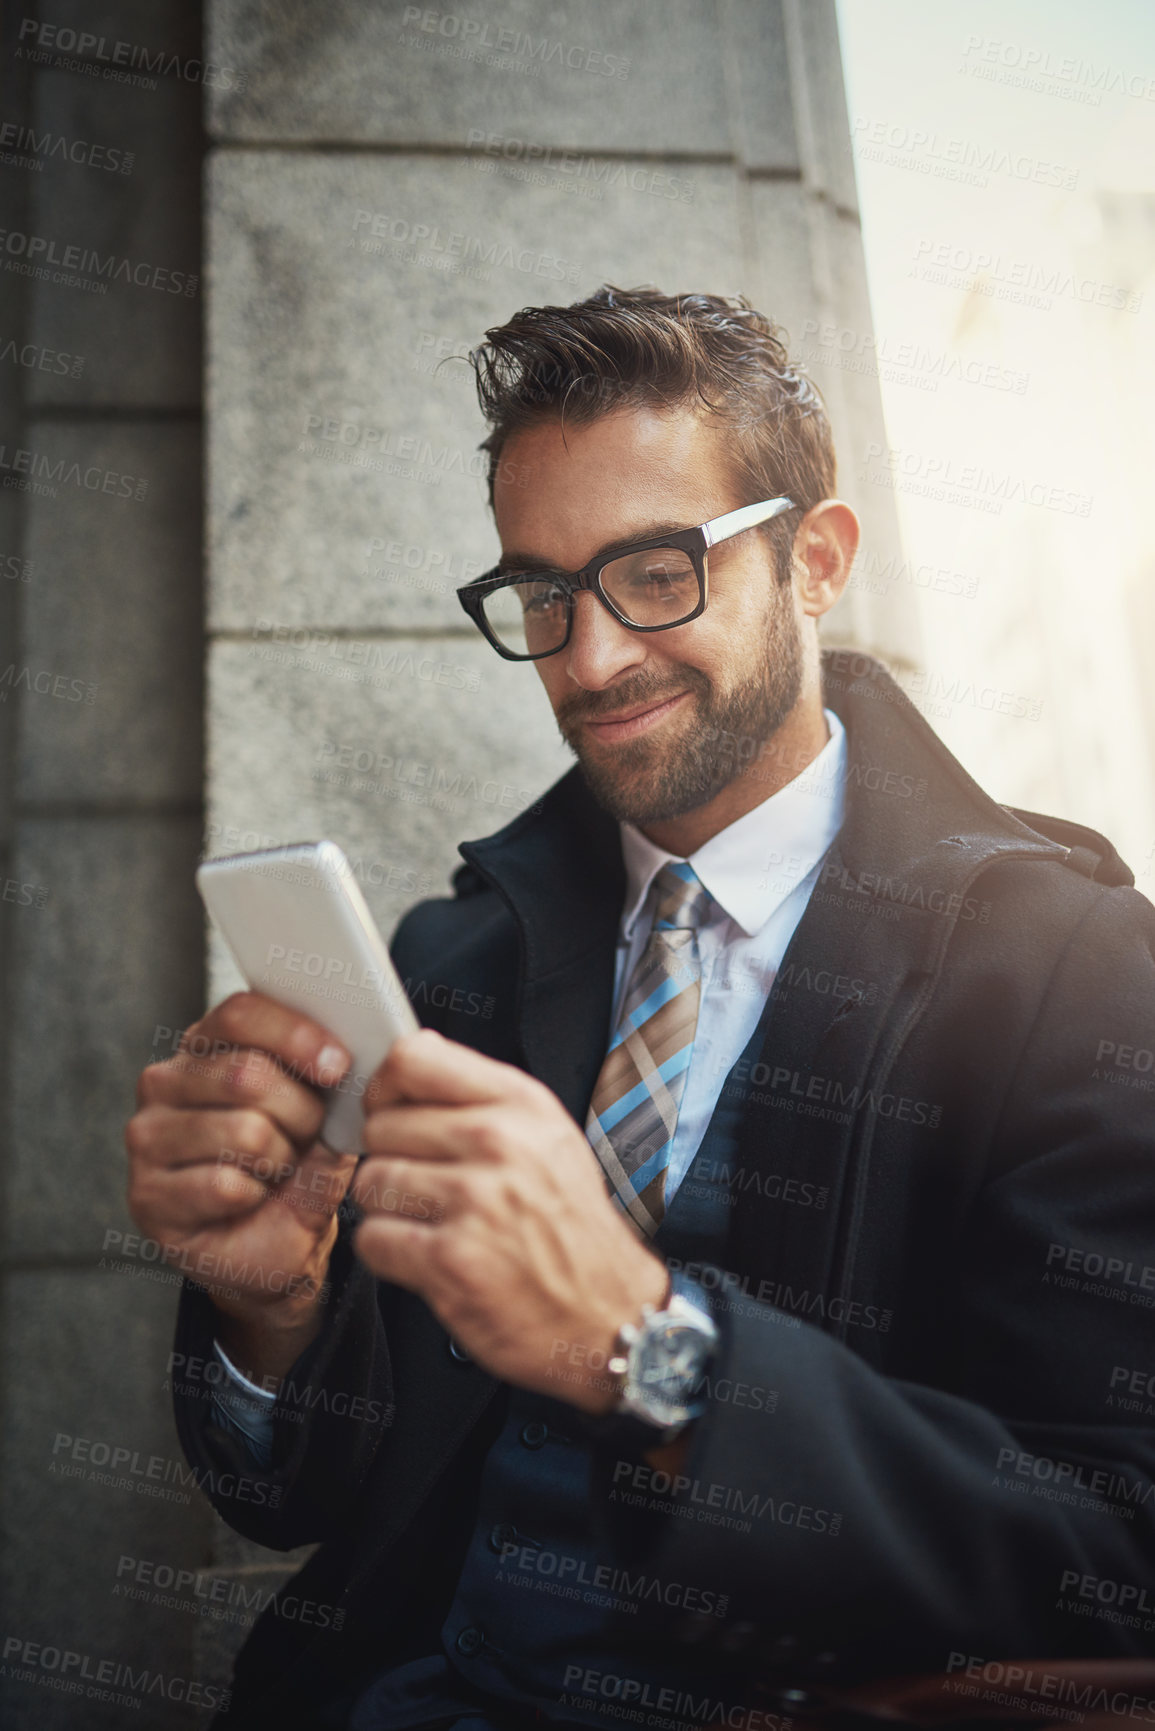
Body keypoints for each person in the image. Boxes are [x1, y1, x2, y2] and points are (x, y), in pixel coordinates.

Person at [125, 287, 1155, 1731]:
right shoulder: (451, 958)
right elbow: (296, 1501)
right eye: (542, 594)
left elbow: (1110, 1569)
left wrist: (653, 1341)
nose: (591, 659)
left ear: (816, 562)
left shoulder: (1080, 974)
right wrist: (269, 1310)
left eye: (658, 571)